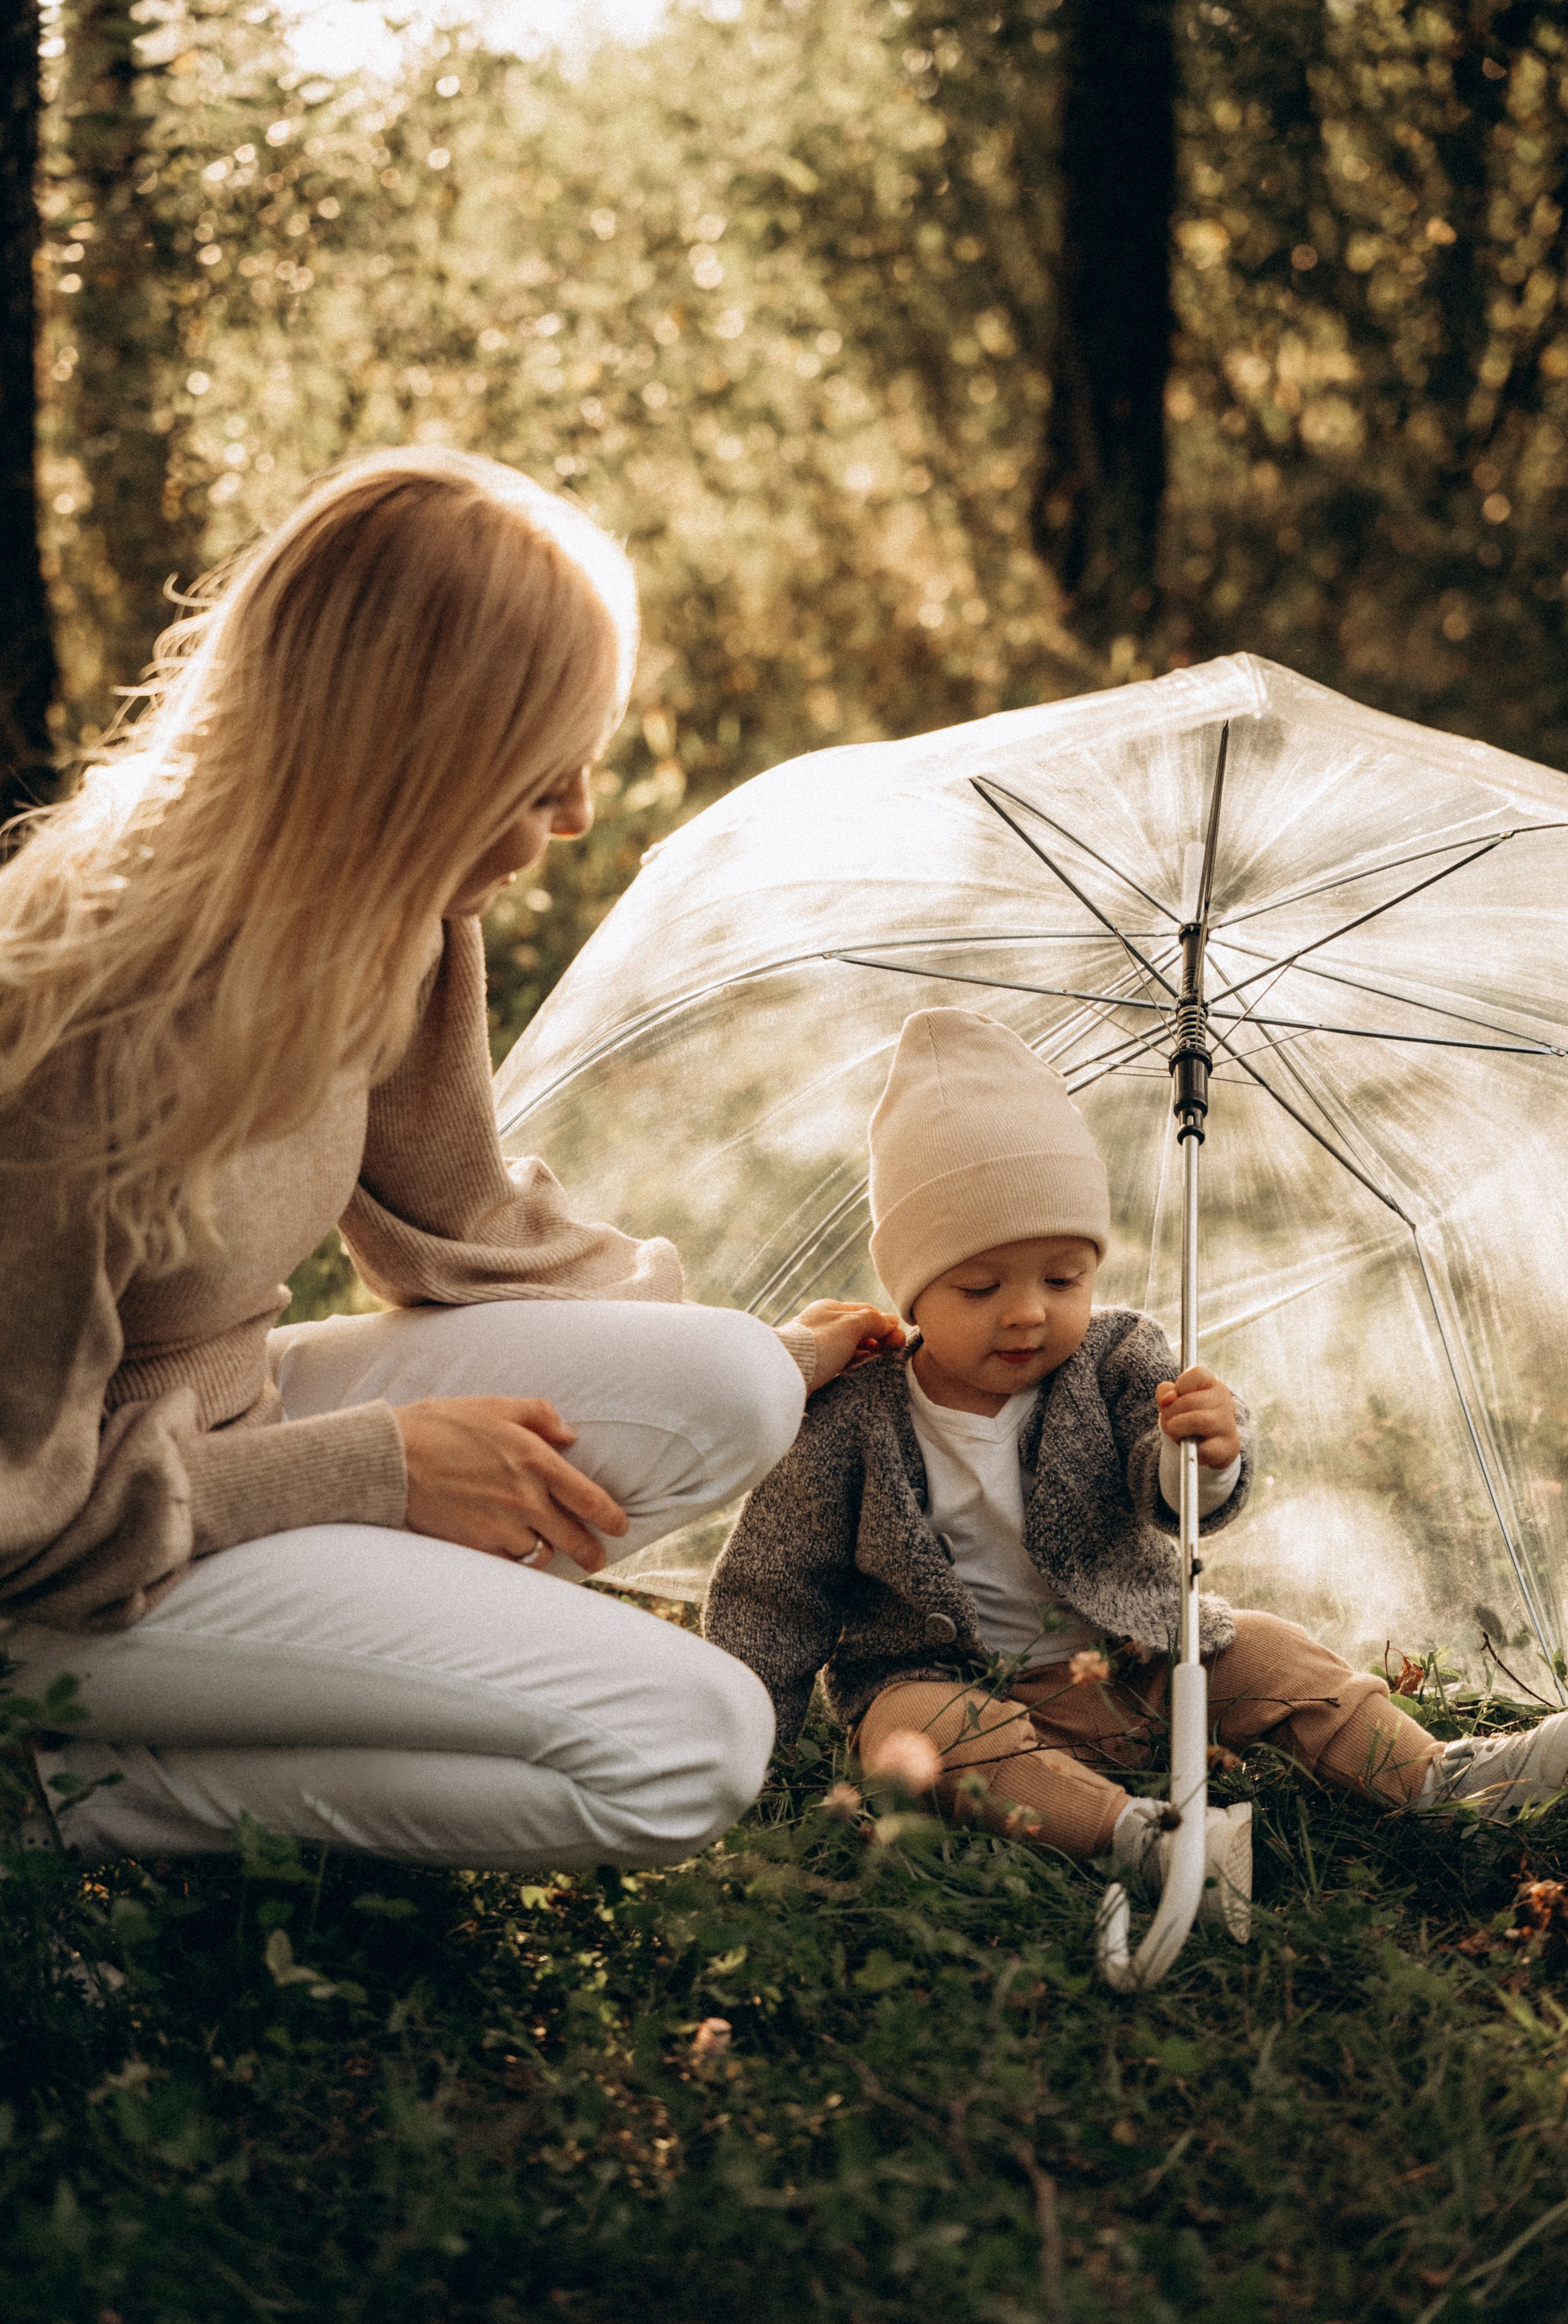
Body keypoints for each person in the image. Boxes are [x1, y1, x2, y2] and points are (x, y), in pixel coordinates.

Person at [0, 447, 899, 1872]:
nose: (578, 812)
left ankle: (302, 1666)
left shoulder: (399, 919)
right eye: (542, 763)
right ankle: (62, 1796)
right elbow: (15, 1516)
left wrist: (762, 1346)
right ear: (414, 752)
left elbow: (466, 1224)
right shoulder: (85, 1030)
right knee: (693, 1745)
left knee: (731, 1383)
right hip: (59, 1575)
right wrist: (373, 1470)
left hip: (219, 1439)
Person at [704, 1009, 1568, 1933]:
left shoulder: (1114, 1358)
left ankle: (1441, 1776)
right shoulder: (852, 1415)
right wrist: (729, 1742)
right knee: (917, 1737)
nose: (1028, 1314)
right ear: (911, 1288)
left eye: (1063, 1278)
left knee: (1273, 1655)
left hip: (1138, 1654)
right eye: (981, 1287)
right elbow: (775, 1586)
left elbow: (1172, 1495)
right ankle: (1147, 1838)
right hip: (954, 1680)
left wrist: (1199, 1456)